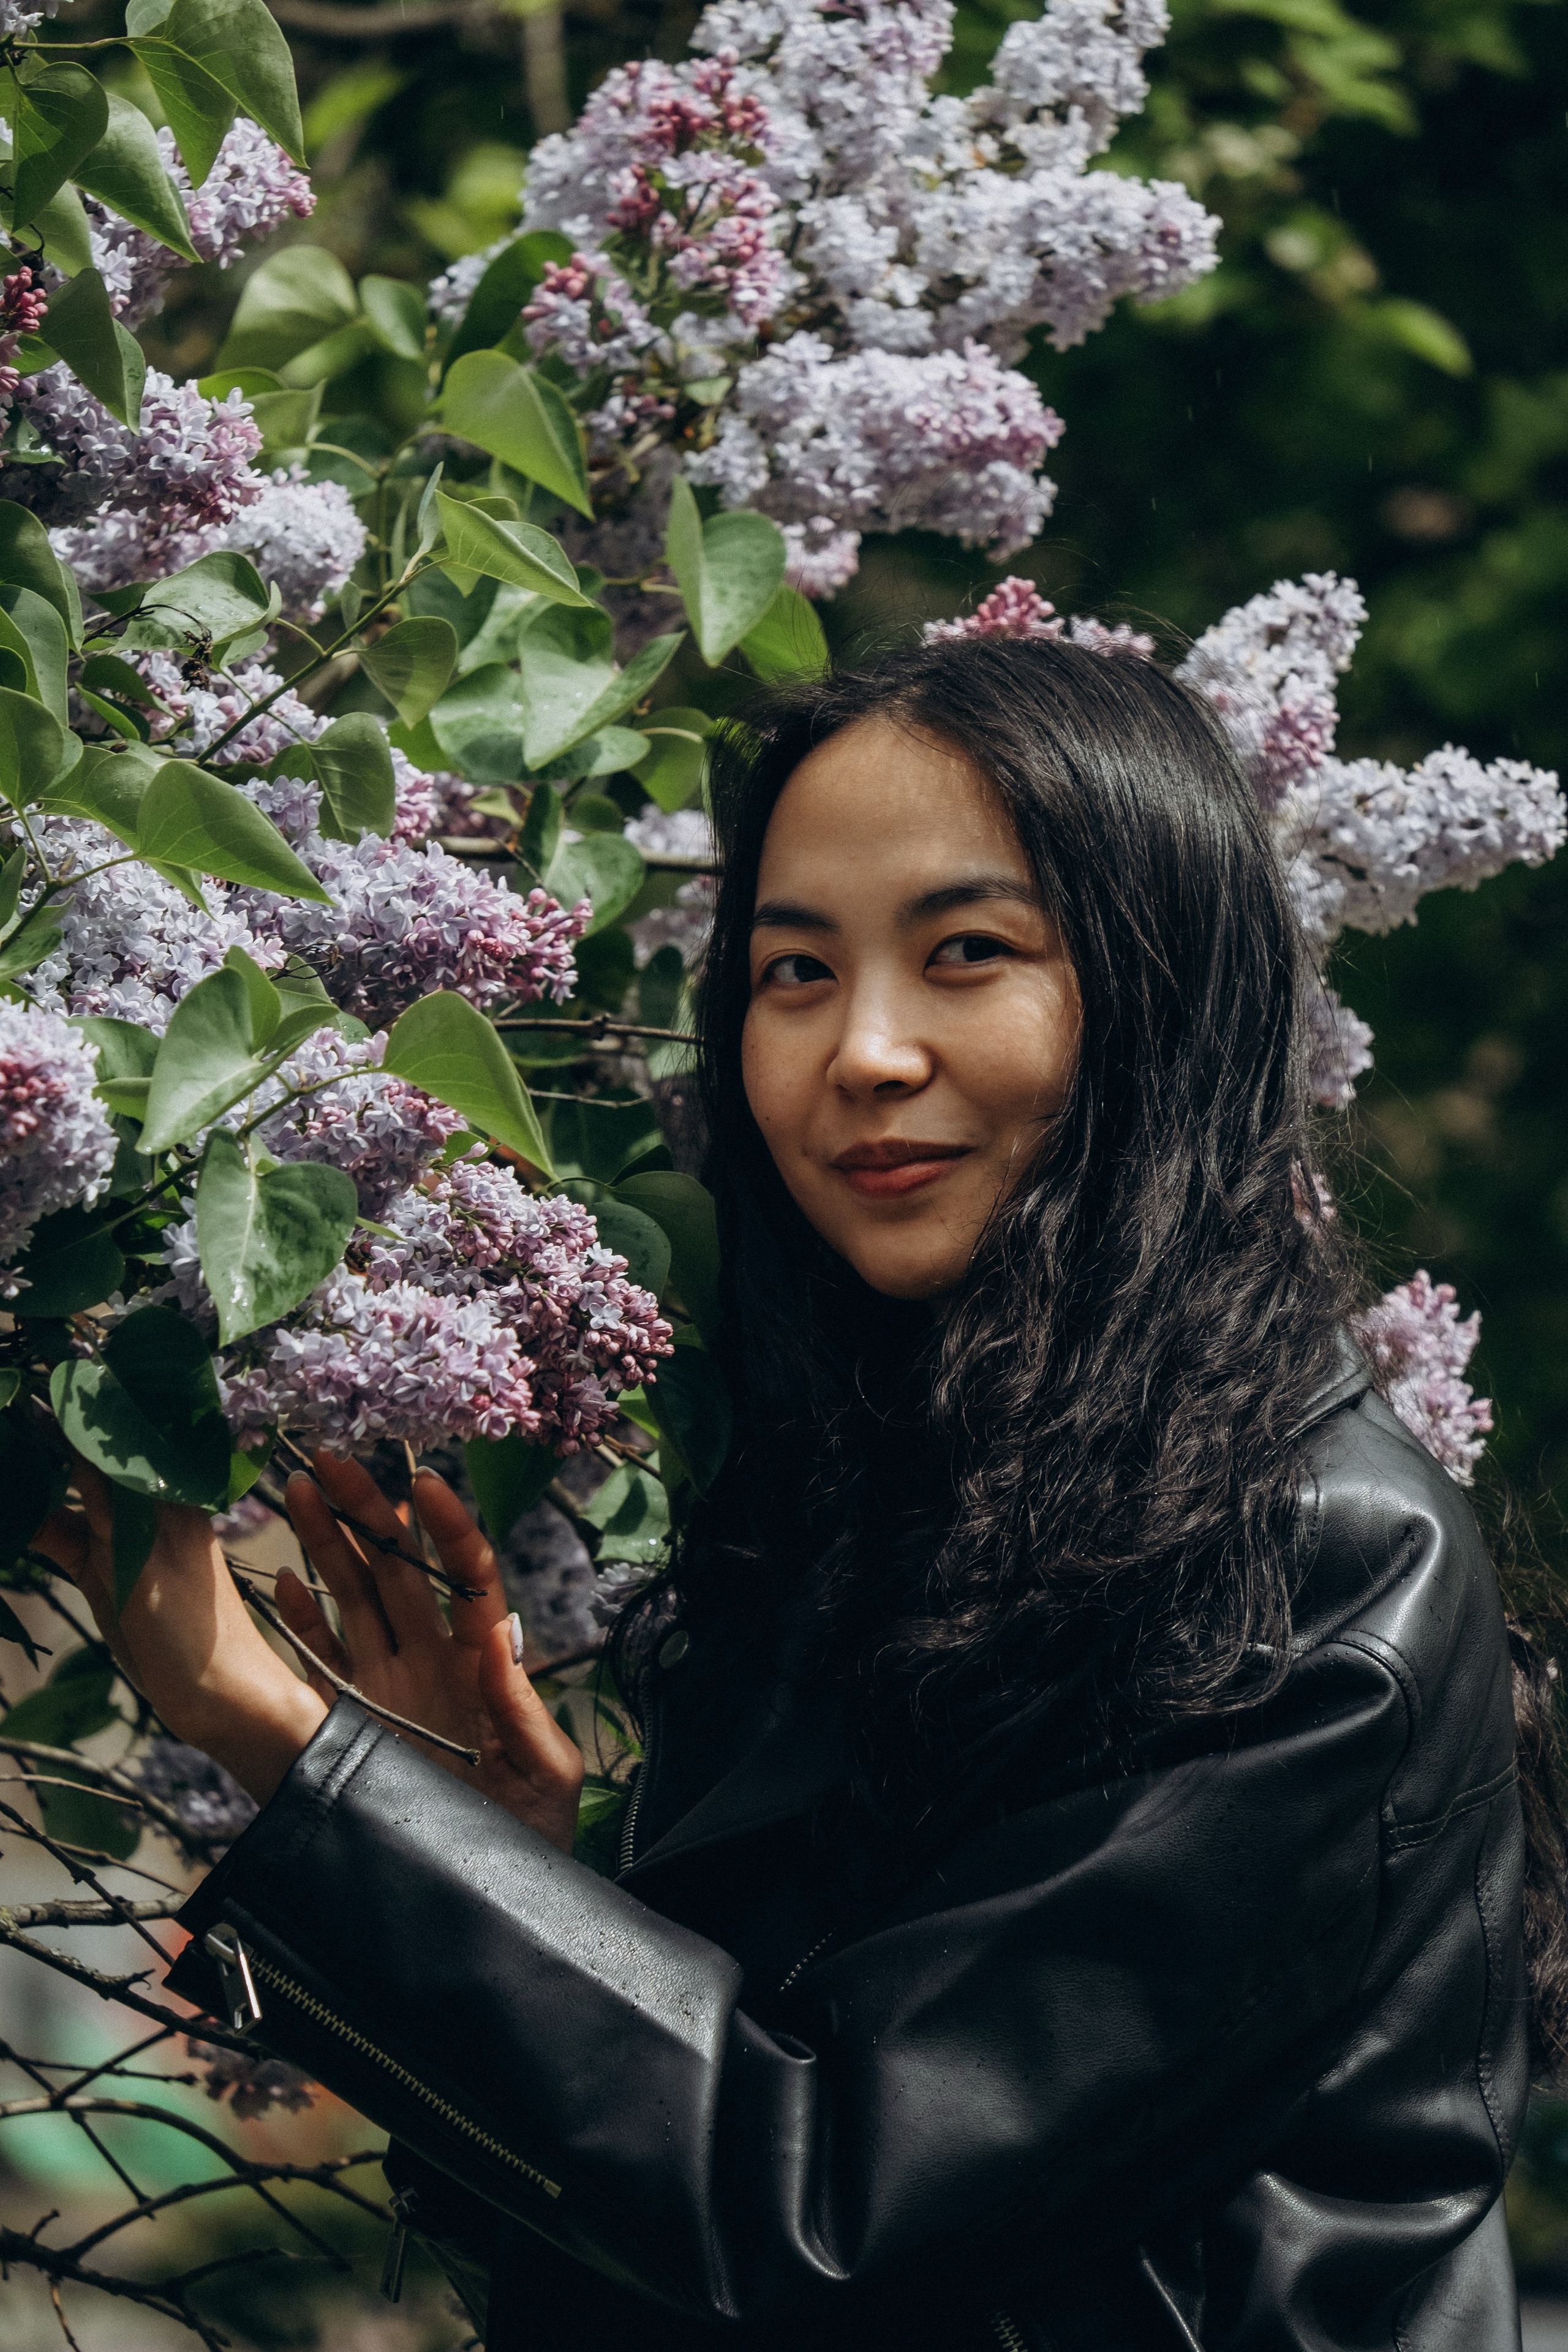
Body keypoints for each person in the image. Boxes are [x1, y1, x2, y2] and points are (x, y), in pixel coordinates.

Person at [40, 639, 1567, 2352]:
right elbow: (647, 2253)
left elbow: (828, 2214)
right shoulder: (898, 1504)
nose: (865, 1051)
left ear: (1166, 998)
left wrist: (279, 1736)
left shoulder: (1310, 1570)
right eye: (793, 970)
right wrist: (506, 1866)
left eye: (966, 953)